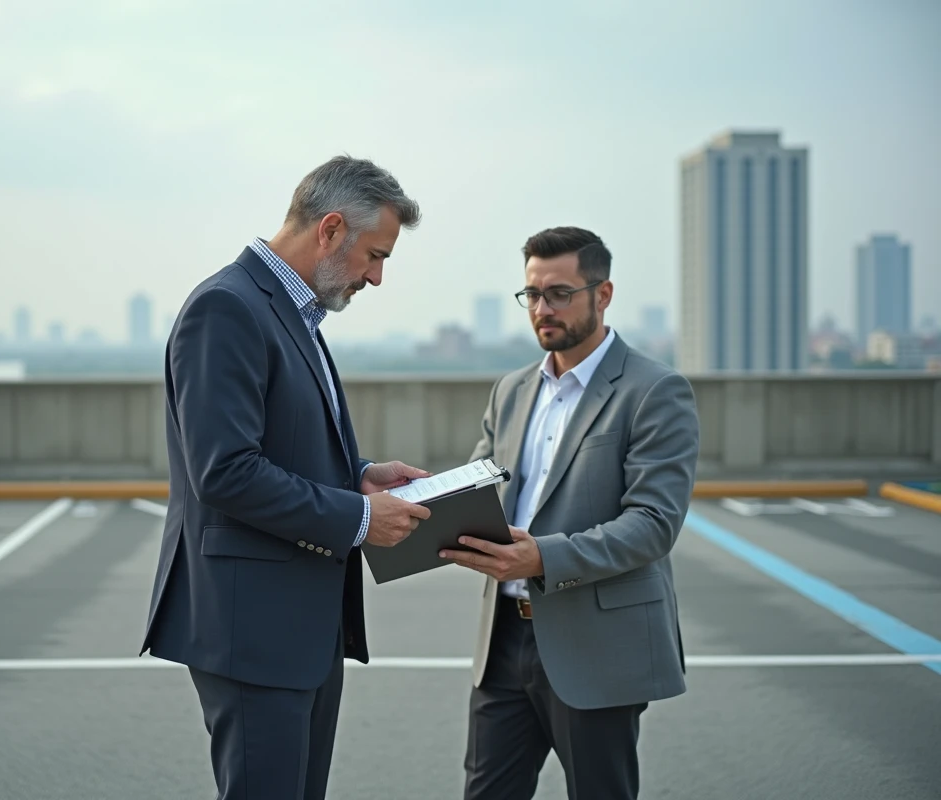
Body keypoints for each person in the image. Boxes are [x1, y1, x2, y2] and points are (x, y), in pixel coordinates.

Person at [141, 155, 433, 800]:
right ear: (331, 229)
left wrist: (358, 476)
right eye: (375, 255)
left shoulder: (290, 310)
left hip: (298, 625)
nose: (377, 277)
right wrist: (360, 519)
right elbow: (225, 471)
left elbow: (278, 443)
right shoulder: (227, 307)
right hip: (255, 630)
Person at [439, 226, 700, 800]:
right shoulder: (510, 390)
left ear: (602, 295)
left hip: (598, 644)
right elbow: (482, 488)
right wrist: (422, 505)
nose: (541, 309)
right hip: (504, 642)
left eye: (558, 293)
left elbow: (654, 524)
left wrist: (541, 556)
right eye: (531, 294)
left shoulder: (654, 390)